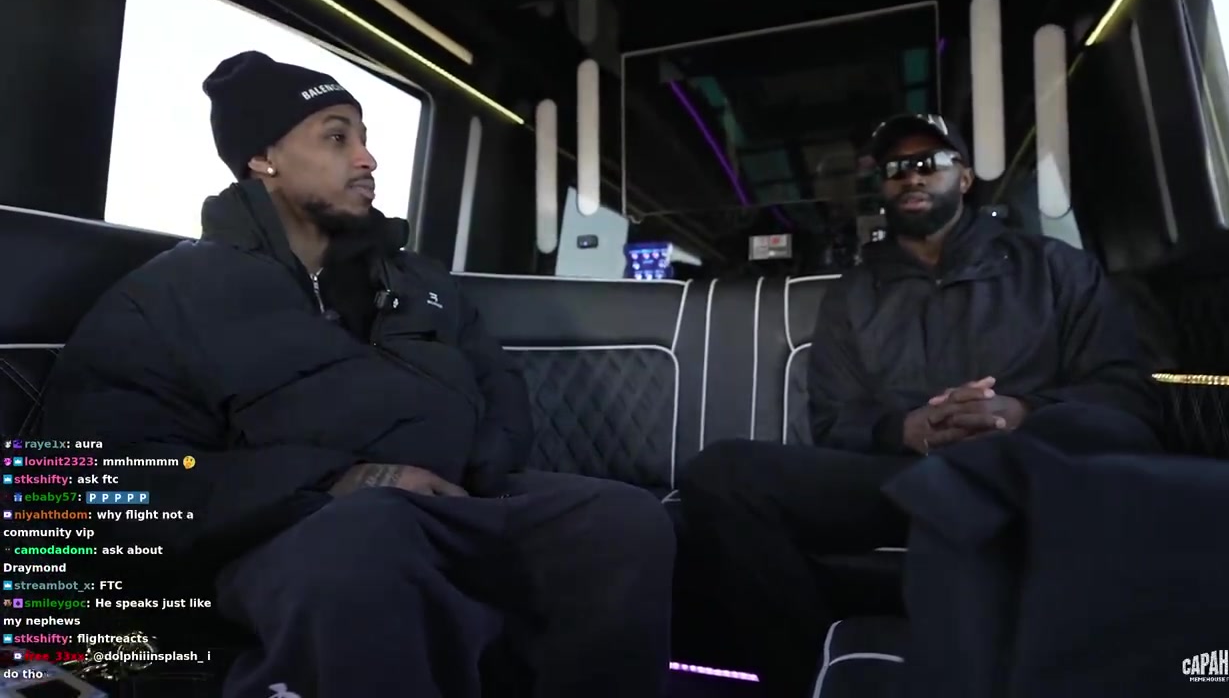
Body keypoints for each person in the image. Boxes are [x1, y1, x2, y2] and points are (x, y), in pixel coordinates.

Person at [38, 52, 674, 698]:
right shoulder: (168, 297)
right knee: (365, 545)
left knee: (620, 522)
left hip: (460, 500)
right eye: (338, 137)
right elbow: (103, 472)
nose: (368, 159)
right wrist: (331, 481)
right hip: (287, 530)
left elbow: (499, 384)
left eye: (365, 139)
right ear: (263, 158)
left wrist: (479, 469)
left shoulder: (417, 280)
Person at [677, 113, 1161, 696]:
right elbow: (834, 420)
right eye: (895, 168)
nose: (911, 176)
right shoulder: (854, 295)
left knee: (1107, 461)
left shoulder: (1055, 268)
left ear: (964, 177)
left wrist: (1022, 413)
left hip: (1025, 468)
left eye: (930, 163)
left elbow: (1123, 393)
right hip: (901, 477)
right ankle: (808, 679)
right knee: (721, 474)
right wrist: (905, 429)